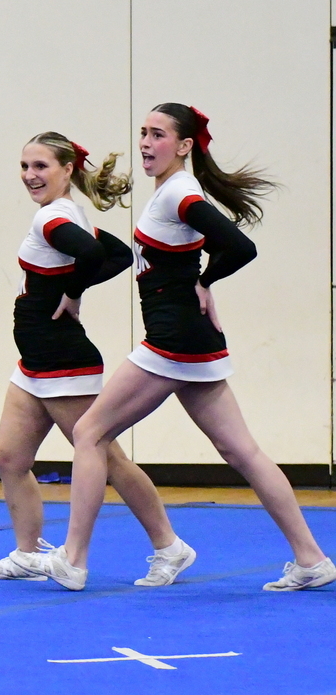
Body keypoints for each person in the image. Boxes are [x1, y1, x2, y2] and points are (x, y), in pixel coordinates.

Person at [44, 104, 333, 592]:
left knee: (90, 432)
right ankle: (311, 558)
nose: (145, 142)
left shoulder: (179, 191)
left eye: (158, 134)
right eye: (143, 132)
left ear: (183, 146)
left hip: (173, 340)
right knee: (241, 450)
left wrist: (206, 280)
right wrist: (201, 281)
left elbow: (239, 246)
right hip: (192, 338)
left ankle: (73, 559)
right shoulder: (174, 190)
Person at [0, 133, 194, 586]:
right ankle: (29, 554)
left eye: (41, 166)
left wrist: (72, 291)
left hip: (62, 361)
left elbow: (96, 254)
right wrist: (73, 287)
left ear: (67, 169)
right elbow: (117, 254)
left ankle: (169, 546)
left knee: (107, 458)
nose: (30, 175)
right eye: (24, 166)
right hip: (35, 361)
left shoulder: (53, 218)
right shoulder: (65, 213)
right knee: (10, 458)